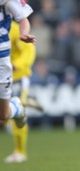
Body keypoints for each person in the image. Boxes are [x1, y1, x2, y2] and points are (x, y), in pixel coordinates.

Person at [0, 0, 35, 137]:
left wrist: (23, 33)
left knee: (3, 116)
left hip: (1, 59)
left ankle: (16, 107)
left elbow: (22, 18)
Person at [4, 21, 37, 163]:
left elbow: (29, 50)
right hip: (3, 78)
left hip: (18, 77)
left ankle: (20, 152)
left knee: (14, 116)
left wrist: (17, 65)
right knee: (4, 117)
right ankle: (25, 102)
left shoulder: (15, 29)